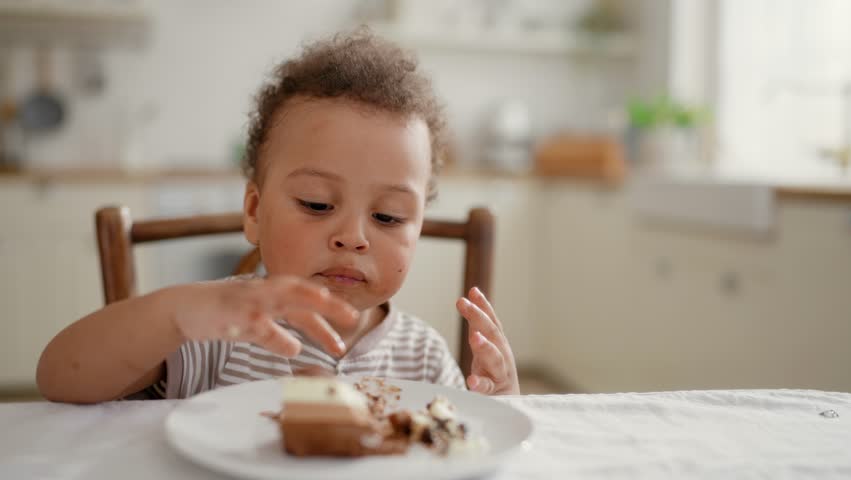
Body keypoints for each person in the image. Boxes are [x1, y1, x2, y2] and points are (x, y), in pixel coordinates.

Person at [36, 30, 519, 403]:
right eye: (316, 204)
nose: (352, 237)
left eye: (389, 217)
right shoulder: (220, 329)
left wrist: (501, 407)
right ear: (254, 210)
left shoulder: (426, 359)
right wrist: (176, 314)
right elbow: (60, 377)